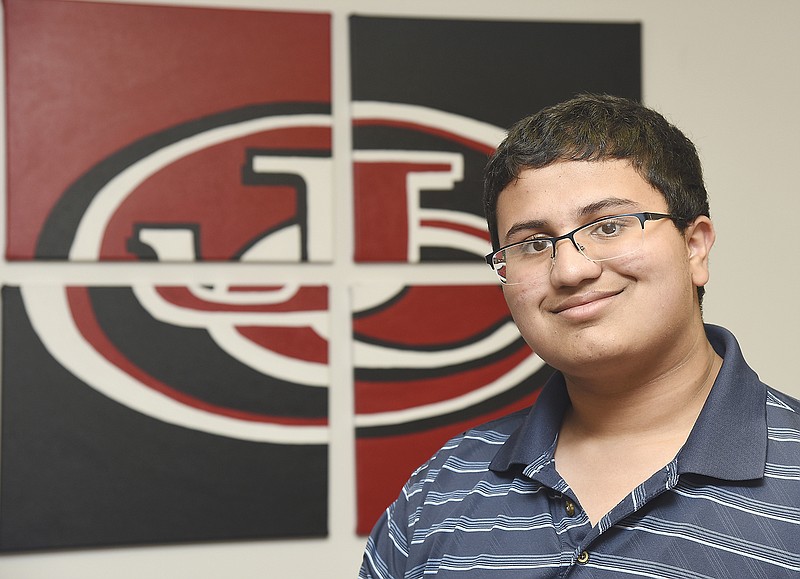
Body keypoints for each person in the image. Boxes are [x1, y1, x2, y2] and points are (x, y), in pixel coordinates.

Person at [358, 94, 800, 577]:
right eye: (531, 244)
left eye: (608, 226)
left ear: (694, 246)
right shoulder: (440, 490)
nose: (569, 270)